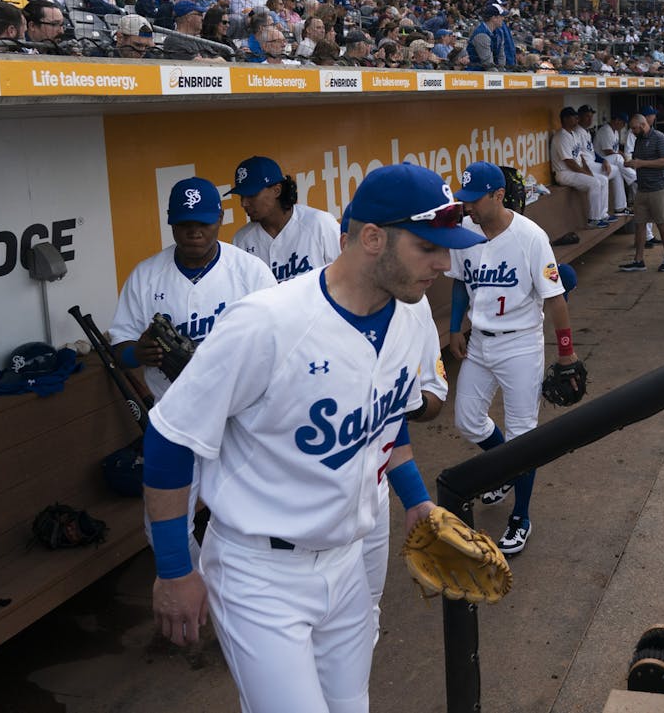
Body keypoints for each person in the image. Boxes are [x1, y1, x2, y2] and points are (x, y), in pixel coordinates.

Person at [144, 163, 482, 712]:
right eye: (429, 247)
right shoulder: (266, 322)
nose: (444, 264)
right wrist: (173, 569)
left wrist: (417, 501)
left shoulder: (406, 316)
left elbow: (387, 413)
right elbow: (169, 439)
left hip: (347, 560)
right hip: (260, 572)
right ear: (373, 238)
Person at [109, 177, 275, 555]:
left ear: (219, 218)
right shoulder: (146, 275)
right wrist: (140, 353)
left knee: (247, 517)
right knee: (162, 527)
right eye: (186, 224)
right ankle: (192, 592)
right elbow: (120, 346)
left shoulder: (250, 273)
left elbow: (277, 345)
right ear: (172, 223)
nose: (195, 232)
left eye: (203, 222)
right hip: (175, 417)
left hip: (239, 416)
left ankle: (232, 592)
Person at [447, 161, 578, 555]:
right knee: (468, 420)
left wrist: (567, 353)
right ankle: (504, 469)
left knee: (524, 435)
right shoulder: (466, 232)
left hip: (521, 344)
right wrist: (455, 327)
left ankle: (521, 516)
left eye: (474, 199)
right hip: (479, 343)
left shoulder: (530, 237)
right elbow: (458, 283)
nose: (467, 207)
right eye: (464, 199)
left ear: (498, 195)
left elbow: (555, 297)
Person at [229, 155, 342, 283]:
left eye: (251, 195)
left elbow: (348, 273)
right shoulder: (241, 240)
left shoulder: (319, 224)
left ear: (277, 190)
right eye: (241, 196)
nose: (244, 203)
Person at [618, 113, 664, 273]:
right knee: (640, 224)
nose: (633, 132)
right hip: (642, 188)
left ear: (643, 125)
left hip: (658, 187)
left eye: (635, 128)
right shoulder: (639, 140)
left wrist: (640, 163)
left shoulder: (659, 137)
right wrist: (632, 164)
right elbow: (639, 161)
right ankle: (638, 260)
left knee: (662, 224)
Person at [551, 107, 612, 228]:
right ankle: (593, 220)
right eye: (574, 117)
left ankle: (601, 215)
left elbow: (581, 158)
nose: (577, 119)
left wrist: (588, 172)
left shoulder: (573, 134)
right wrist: (585, 174)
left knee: (603, 180)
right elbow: (569, 162)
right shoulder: (561, 136)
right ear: (566, 119)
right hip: (564, 173)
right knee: (594, 183)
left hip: (574, 171)